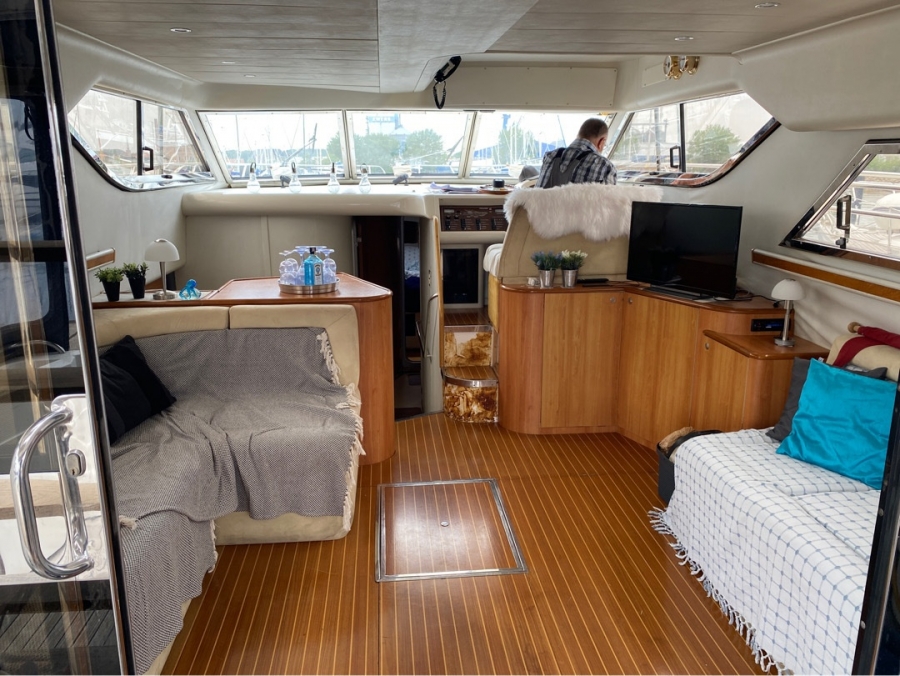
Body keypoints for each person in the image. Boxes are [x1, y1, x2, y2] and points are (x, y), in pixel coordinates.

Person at [536, 118, 616, 188]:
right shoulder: (605, 166)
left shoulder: (550, 156)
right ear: (601, 142)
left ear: (579, 134)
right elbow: (610, 200)